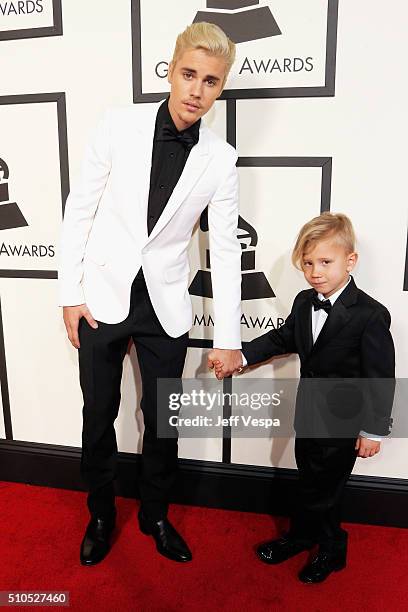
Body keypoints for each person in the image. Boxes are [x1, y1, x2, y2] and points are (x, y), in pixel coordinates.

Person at [58, 22, 243, 566]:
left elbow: (226, 251)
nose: (196, 91)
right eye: (189, 74)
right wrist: (70, 292)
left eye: (210, 81)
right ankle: (100, 512)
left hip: (166, 304)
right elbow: (80, 210)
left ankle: (156, 514)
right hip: (102, 296)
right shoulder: (118, 124)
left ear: (220, 88)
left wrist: (229, 338)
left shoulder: (221, 158)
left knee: (164, 419)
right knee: (99, 413)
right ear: (170, 69)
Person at [213, 212, 395, 583]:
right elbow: (282, 339)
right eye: (308, 263)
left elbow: (381, 378)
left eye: (326, 262)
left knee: (325, 490)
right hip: (308, 415)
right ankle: (302, 536)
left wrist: (373, 431)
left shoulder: (370, 315)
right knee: (310, 480)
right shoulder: (302, 302)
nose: (315, 271)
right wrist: (241, 356)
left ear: (350, 261)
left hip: (344, 422)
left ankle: (332, 549)